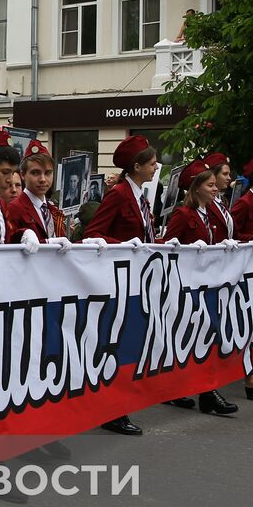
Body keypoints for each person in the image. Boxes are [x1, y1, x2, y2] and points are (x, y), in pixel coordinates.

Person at [79, 135, 160, 436]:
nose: (155, 167)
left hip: (138, 279)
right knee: (116, 345)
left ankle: (117, 404)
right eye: (151, 163)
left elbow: (146, 235)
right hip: (119, 279)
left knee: (129, 343)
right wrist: (128, 244)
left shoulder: (140, 196)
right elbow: (94, 233)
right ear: (136, 166)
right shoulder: (119, 194)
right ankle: (113, 409)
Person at [158, 159, 247, 414]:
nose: (215, 189)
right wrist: (185, 249)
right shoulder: (184, 214)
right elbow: (168, 247)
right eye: (209, 185)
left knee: (202, 339)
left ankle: (192, 390)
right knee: (196, 339)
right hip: (185, 287)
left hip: (207, 285)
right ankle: (205, 394)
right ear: (196, 188)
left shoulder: (209, 214)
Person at [6, 139, 66, 242]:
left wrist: (85, 244)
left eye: (47, 173)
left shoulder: (53, 210)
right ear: (23, 175)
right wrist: (47, 243)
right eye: (35, 173)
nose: (42, 179)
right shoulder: (14, 209)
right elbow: (11, 247)